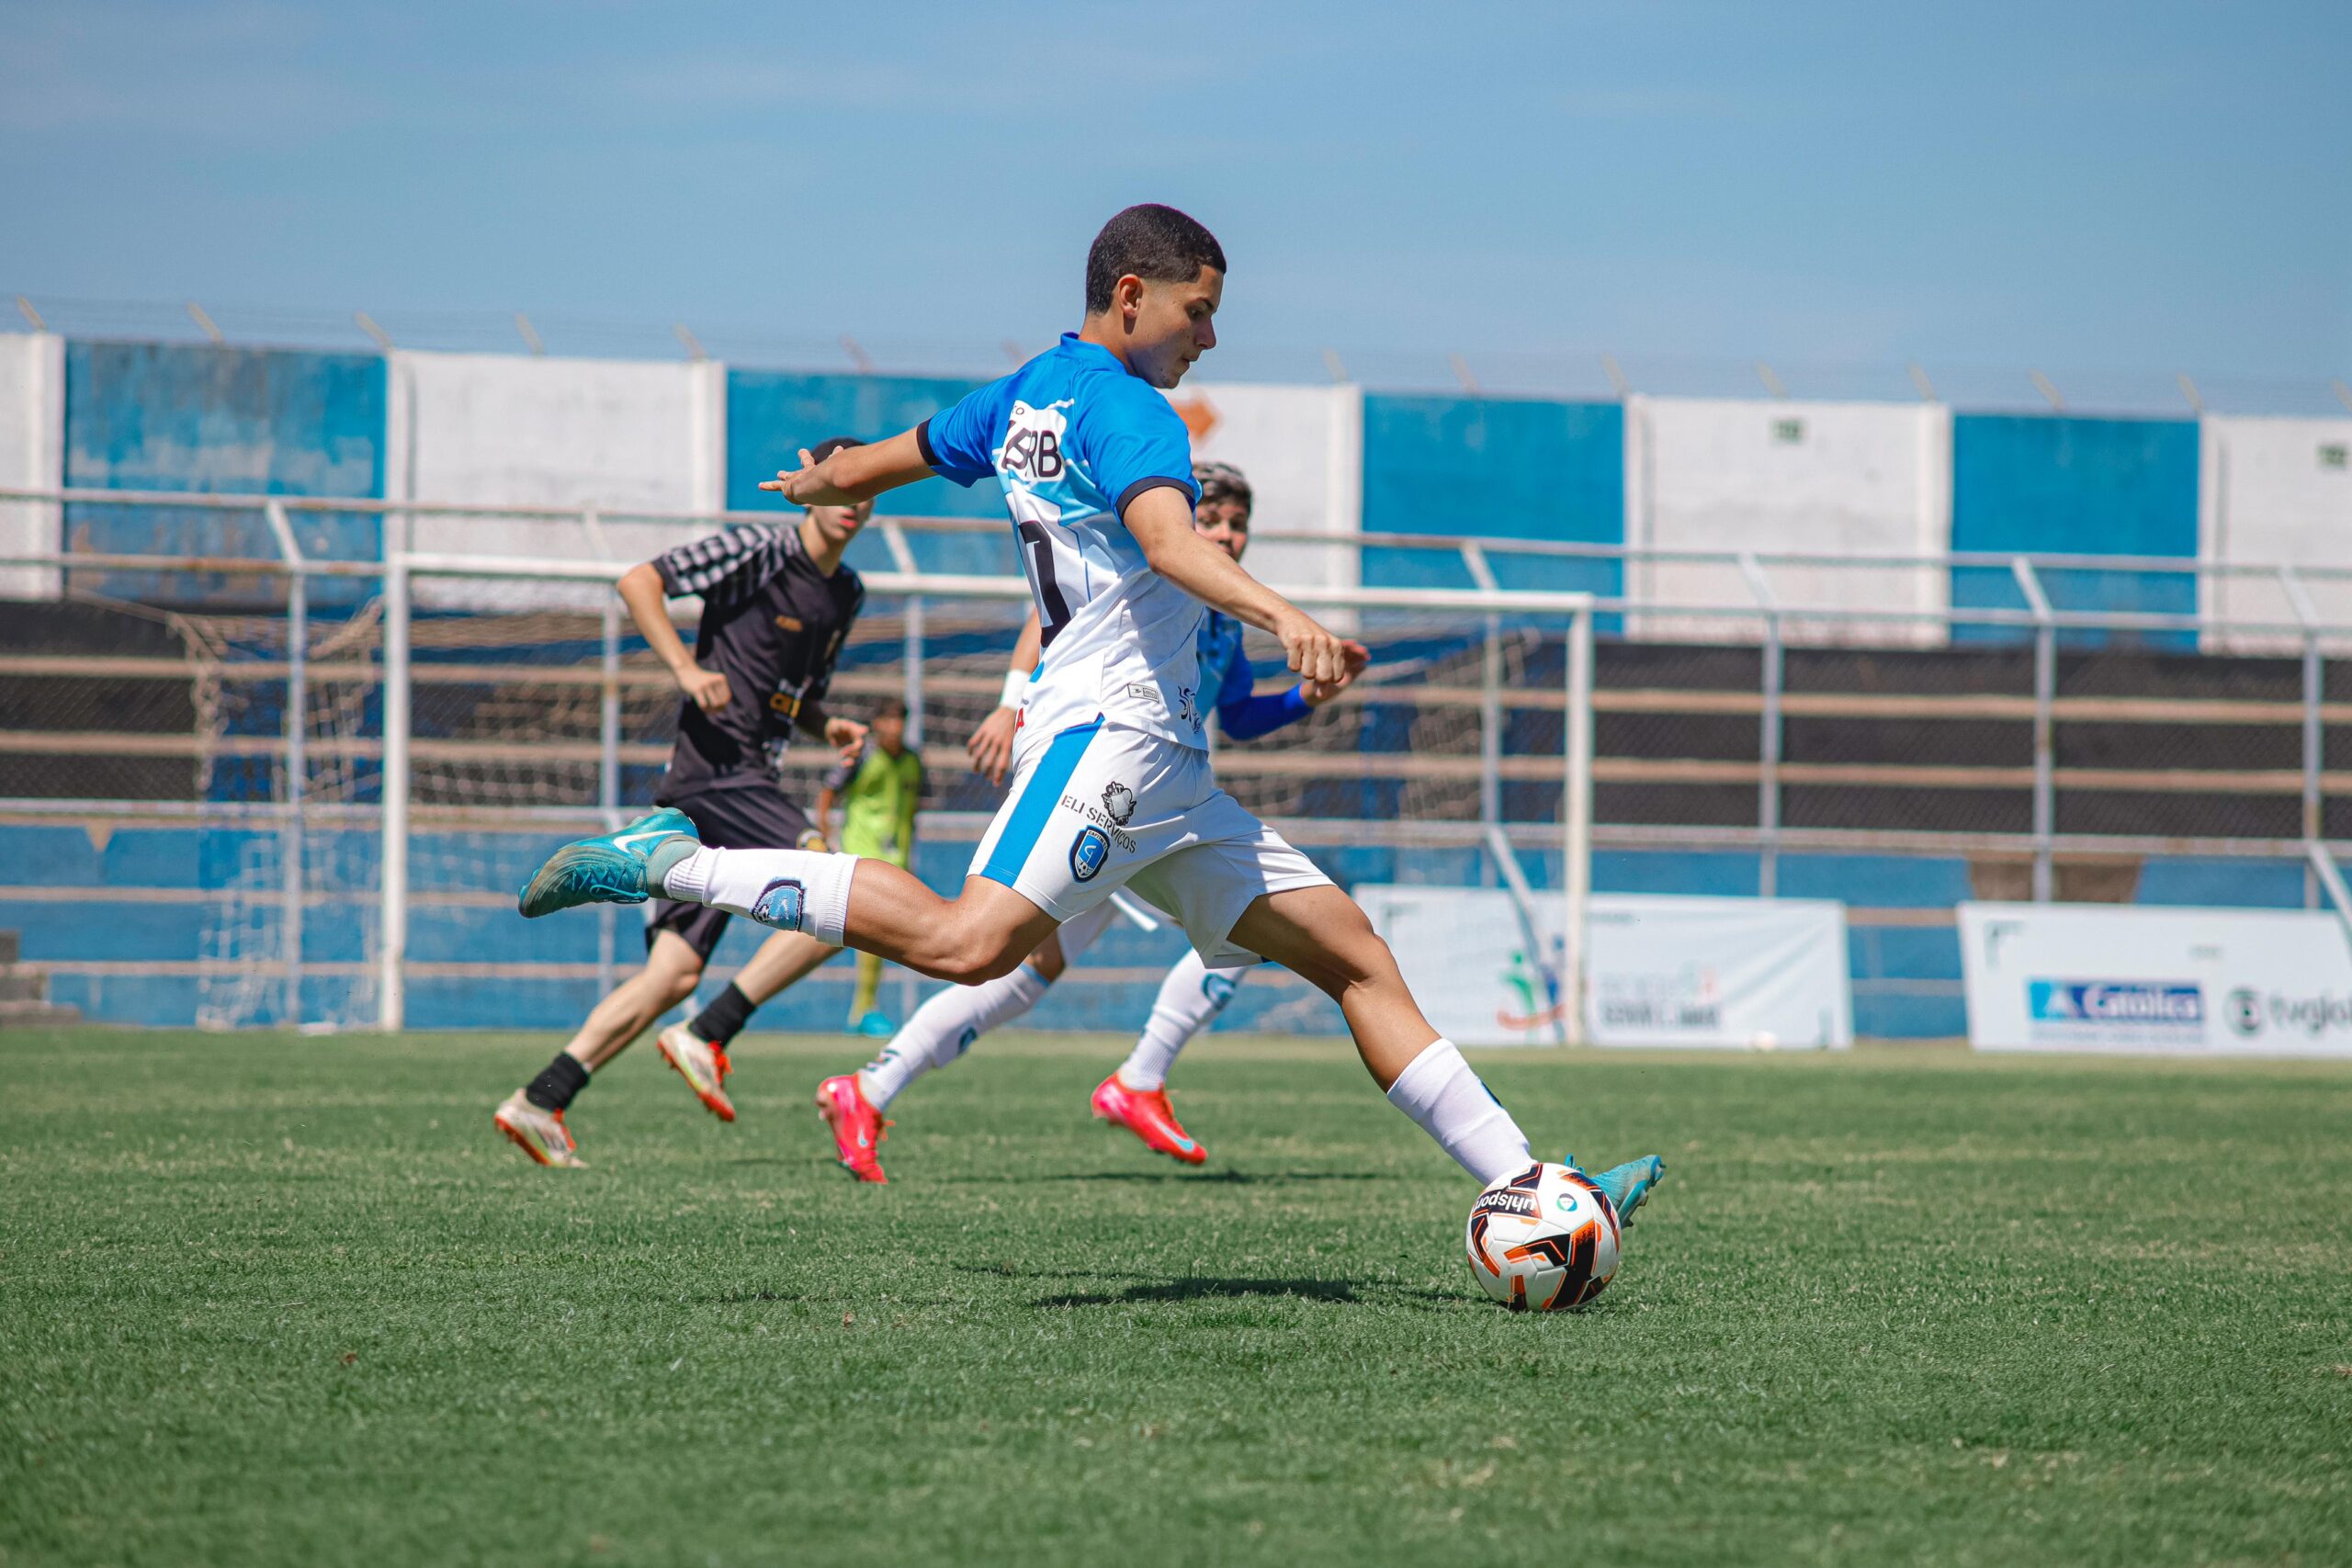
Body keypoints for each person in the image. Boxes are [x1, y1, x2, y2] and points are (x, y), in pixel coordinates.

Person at [517, 205, 1665, 1228]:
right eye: (1197, 312)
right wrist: (1286, 616)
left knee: (1356, 958)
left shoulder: (1025, 392)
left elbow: (910, 450)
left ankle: (1525, 1184)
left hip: (1171, 773)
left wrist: (830, 478)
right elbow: (1170, 543)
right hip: (1110, 737)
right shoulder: (1131, 414)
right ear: (1132, 295)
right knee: (967, 945)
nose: (1206, 338)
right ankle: (671, 862)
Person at [830, 461, 1347, 1179]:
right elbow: (1051, 617)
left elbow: (1243, 713)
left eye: (1239, 525)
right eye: (1214, 520)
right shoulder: (1143, 567)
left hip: (1154, 800)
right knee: (1242, 930)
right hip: (1107, 784)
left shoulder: (1224, 613)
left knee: (1017, 971)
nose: (1227, 535)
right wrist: (1010, 704)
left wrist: (1305, 699)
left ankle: (868, 1087)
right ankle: (1138, 1079)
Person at [492, 437, 872, 1168]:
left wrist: (827, 723)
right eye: (839, 483)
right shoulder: (757, 550)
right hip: (717, 772)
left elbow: (790, 695)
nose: (853, 501)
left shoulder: (845, 593)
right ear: (810, 481)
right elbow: (639, 580)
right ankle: (710, 1032)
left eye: (866, 489)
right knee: (840, 898)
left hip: (743, 778)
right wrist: (686, 668)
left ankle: (540, 1098)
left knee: (672, 974)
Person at [814, 696, 926, 1038]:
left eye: (900, 721)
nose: (895, 728)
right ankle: (863, 1009)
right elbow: (828, 793)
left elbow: (912, 806)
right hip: (860, 857)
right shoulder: (863, 757)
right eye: (889, 720)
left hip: (897, 861)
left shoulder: (912, 762)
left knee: (875, 939)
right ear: (877, 724)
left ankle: (864, 1009)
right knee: (863, 936)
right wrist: (824, 833)